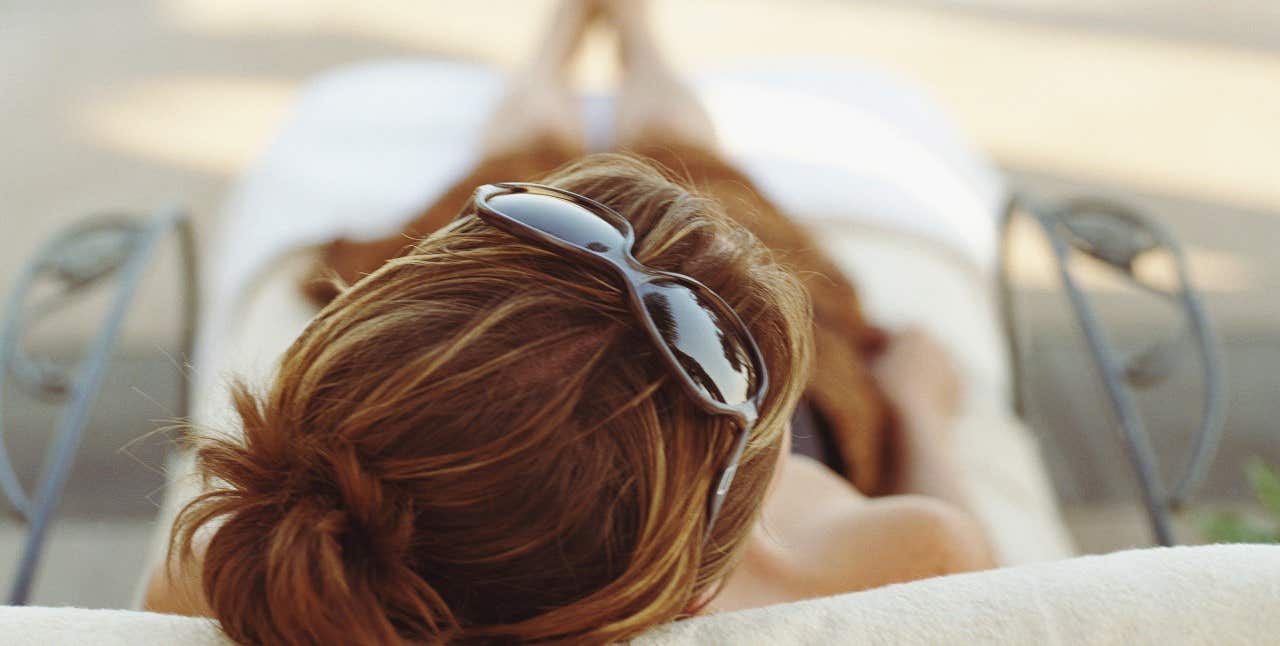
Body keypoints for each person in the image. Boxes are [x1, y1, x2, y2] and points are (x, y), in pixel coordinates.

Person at [144, 1, 994, 643]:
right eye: (734, 362)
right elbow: (985, 582)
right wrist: (917, 403)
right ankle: (635, 37)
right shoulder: (866, 555)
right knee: (690, 159)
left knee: (522, 155)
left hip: (518, 362)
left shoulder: (230, 572)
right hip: (599, 381)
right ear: (699, 573)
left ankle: (566, 40)